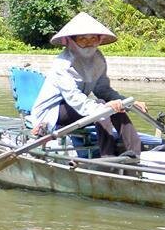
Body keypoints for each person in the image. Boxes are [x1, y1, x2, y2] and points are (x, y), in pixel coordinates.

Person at [29, 12, 149, 158]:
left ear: (99, 39)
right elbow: (74, 98)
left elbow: (103, 90)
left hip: (79, 108)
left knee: (116, 107)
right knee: (102, 107)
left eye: (93, 38)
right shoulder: (63, 64)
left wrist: (127, 103)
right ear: (72, 41)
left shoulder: (98, 59)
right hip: (52, 113)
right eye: (82, 39)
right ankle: (108, 156)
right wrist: (103, 107)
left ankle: (138, 151)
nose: (89, 43)